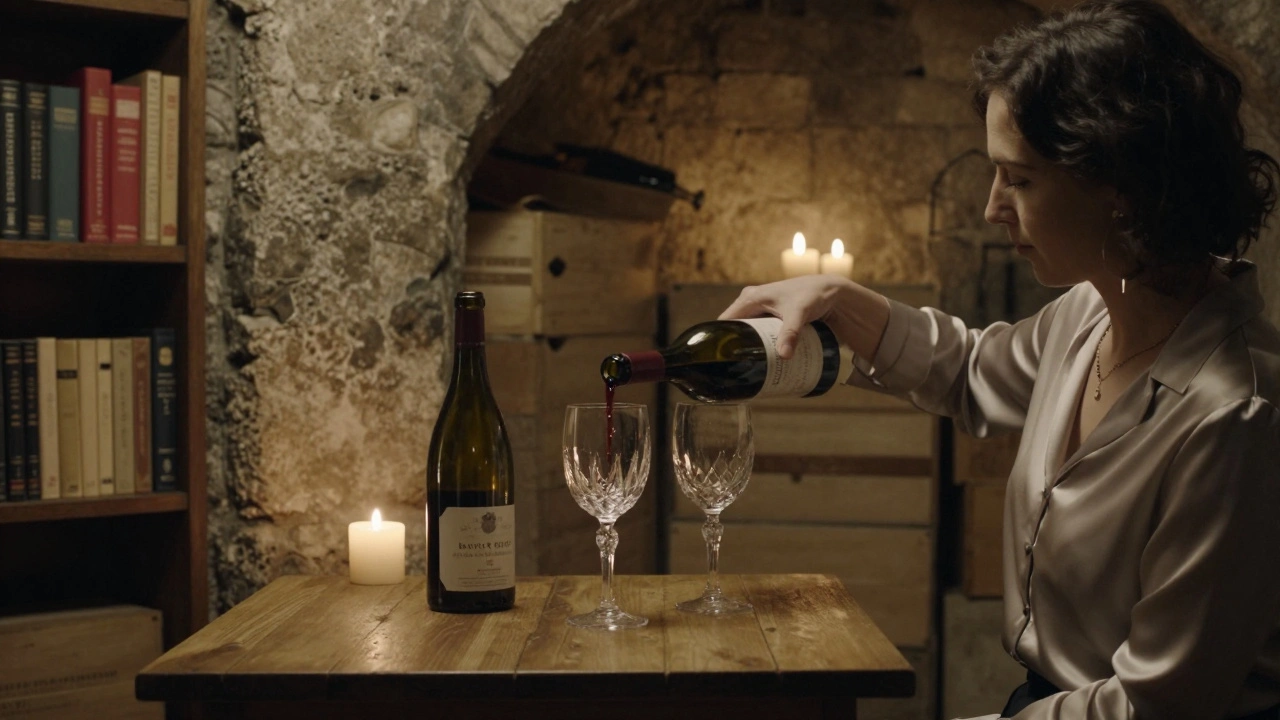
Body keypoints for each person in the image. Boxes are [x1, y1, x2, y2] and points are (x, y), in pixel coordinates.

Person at [719, 1, 1280, 718]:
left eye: (1018, 179)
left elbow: (1157, 705)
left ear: (1121, 188)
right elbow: (971, 371)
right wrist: (838, 300)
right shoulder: (1090, 310)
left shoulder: (1235, 416)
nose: (991, 208)